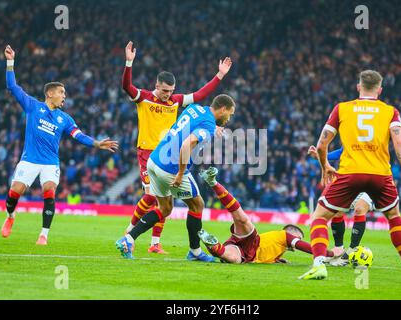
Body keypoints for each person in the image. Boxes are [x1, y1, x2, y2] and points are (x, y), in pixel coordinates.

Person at [299, 70, 401, 282]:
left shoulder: (342, 109)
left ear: (358, 87)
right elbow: (399, 143)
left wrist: (325, 166)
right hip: (380, 174)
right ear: (380, 89)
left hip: (350, 172)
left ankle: (319, 265)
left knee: (320, 217)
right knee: (394, 218)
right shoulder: (390, 112)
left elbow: (322, 144)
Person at [121, 41, 232, 254]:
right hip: (148, 152)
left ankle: (154, 242)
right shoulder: (144, 98)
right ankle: (130, 231)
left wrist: (219, 75)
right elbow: (126, 87)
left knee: (165, 203)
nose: (167, 94)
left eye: (171, 91)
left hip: (168, 153)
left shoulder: (175, 101)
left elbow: (199, 96)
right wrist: (129, 62)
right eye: (164, 90)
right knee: (152, 197)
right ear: (157, 85)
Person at [1, 45, 118, 245]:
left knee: (49, 191)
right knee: (14, 193)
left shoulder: (65, 119)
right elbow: (12, 87)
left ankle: (43, 234)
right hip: (29, 160)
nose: (64, 96)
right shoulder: (32, 107)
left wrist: (97, 143)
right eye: (61, 92)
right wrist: (10, 62)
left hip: (50, 162)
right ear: (50, 94)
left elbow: (78, 136)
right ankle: (11, 216)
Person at [115, 94, 236, 262]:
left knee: (165, 209)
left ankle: (128, 239)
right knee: (197, 205)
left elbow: (188, 126)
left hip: (154, 161)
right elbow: (187, 144)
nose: (229, 118)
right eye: (230, 114)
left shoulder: (195, 109)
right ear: (222, 109)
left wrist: (212, 128)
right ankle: (194, 252)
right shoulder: (208, 125)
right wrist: (180, 173)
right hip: (170, 169)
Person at [307, 124, 401, 266]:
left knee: (360, 208)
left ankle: (351, 250)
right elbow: (341, 152)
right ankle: (338, 250)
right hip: (353, 177)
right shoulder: (354, 135)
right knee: (337, 213)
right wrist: (319, 156)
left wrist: (397, 128)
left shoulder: (379, 126)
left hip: (376, 176)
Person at [197, 167, 336, 264]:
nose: (296, 242)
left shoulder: (279, 249)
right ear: (292, 233)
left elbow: (268, 252)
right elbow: (306, 247)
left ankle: (212, 244)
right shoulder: (284, 236)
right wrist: (331, 253)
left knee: (232, 258)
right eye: (298, 237)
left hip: (245, 253)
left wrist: (276, 259)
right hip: (252, 241)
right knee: (242, 219)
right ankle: (213, 182)